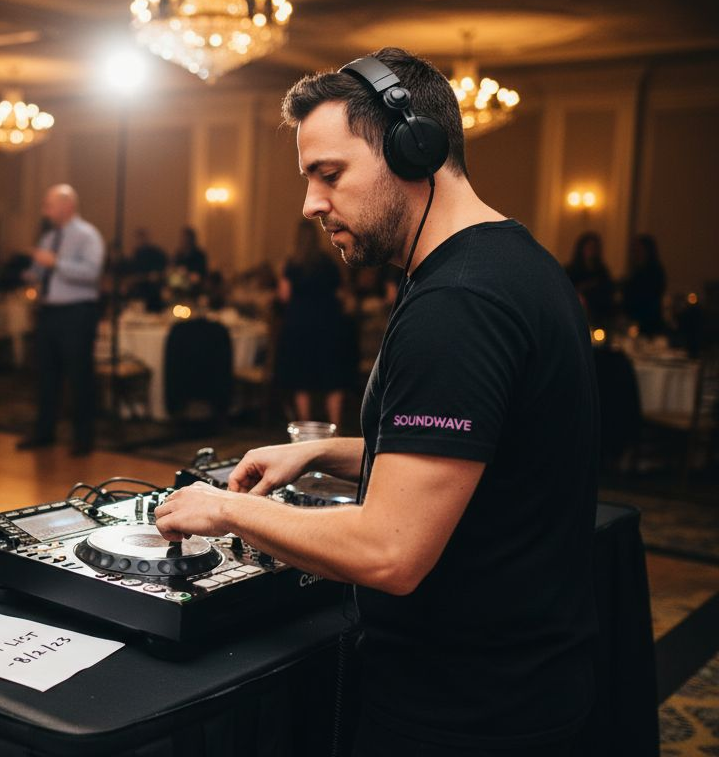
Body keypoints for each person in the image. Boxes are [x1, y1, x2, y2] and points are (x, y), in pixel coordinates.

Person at [155, 48, 597, 756]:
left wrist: (229, 509)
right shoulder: (513, 263)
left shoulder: (459, 305)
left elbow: (393, 550)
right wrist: (322, 450)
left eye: (330, 175)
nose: (310, 204)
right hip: (530, 680)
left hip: (467, 709)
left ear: (413, 148)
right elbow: (477, 452)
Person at [17, 184, 105, 456]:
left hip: (77, 312)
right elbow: (38, 269)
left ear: (67, 205)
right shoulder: (48, 237)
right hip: (49, 312)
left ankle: (83, 438)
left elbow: (92, 273)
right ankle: (45, 432)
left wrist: (56, 263)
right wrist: (31, 274)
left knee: (79, 375)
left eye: (49, 204)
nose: (45, 210)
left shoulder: (87, 235)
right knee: (46, 374)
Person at [274, 219, 357, 425]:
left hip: (300, 325)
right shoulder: (328, 262)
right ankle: (335, 427)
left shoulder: (291, 263)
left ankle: (306, 429)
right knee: (332, 378)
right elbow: (342, 294)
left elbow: (284, 296)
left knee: (302, 379)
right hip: (329, 324)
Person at [564, 230, 614, 327]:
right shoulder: (571, 270)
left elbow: (608, 293)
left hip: (598, 316)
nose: (591, 250)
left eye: (594, 247)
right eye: (588, 247)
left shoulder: (602, 271)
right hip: (576, 315)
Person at [621, 233, 667, 336]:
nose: (637, 253)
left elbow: (651, 294)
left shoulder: (655, 271)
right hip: (633, 317)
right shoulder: (635, 271)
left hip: (648, 318)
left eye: (640, 249)